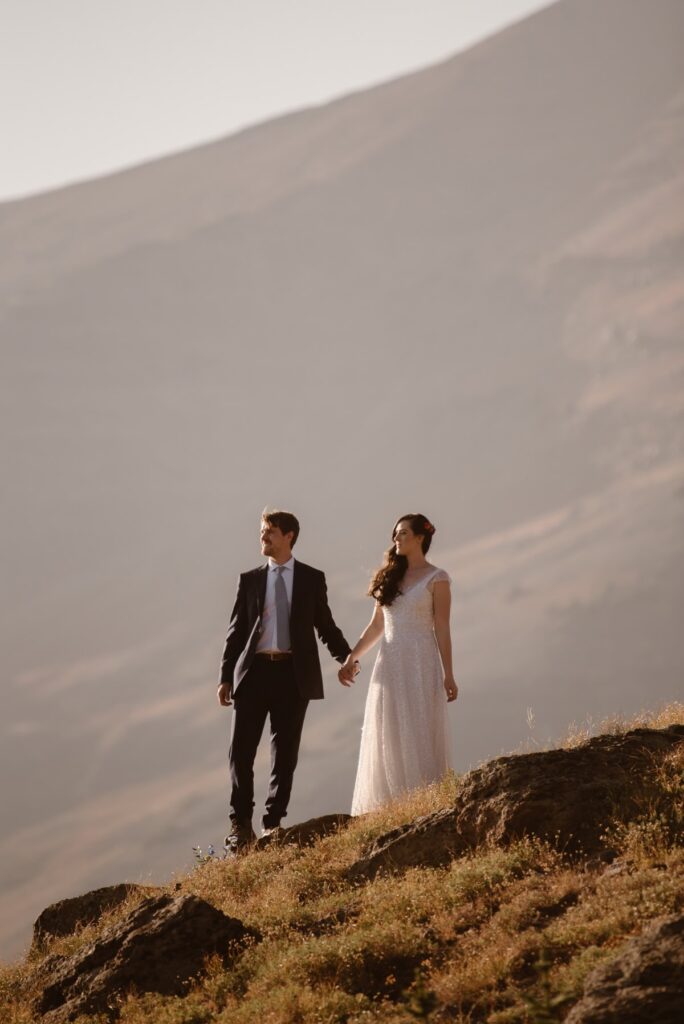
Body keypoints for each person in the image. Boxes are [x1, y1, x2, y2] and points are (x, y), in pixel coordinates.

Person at [217, 509, 353, 852]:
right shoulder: (249, 580)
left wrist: (346, 657)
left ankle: (273, 822)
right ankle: (240, 824)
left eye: (270, 531)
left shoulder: (310, 578)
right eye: (262, 530)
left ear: (289, 535)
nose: (263, 536)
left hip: (293, 676)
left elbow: (324, 625)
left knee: (285, 753)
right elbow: (235, 634)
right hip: (253, 674)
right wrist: (224, 677)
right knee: (240, 752)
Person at [338, 513, 458, 815]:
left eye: (403, 533)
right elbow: (377, 626)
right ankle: (388, 806)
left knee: (418, 725)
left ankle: (425, 802)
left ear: (420, 537)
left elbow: (442, 627)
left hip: (421, 660)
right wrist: (351, 658)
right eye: (395, 534)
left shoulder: (437, 578)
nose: (397, 539)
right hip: (389, 662)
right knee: (388, 729)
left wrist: (449, 674)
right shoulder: (388, 577)